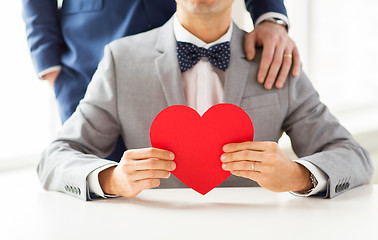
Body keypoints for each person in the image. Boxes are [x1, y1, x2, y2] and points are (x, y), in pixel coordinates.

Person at [38, 0, 372, 201]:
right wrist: (112, 179)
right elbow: (55, 158)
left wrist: (298, 175)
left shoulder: (275, 61)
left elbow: (354, 157)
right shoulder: (121, 61)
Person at [22, 0, 299, 124]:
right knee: (97, 188)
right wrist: (51, 67)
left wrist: (270, 16)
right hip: (86, 62)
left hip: (188, 46)